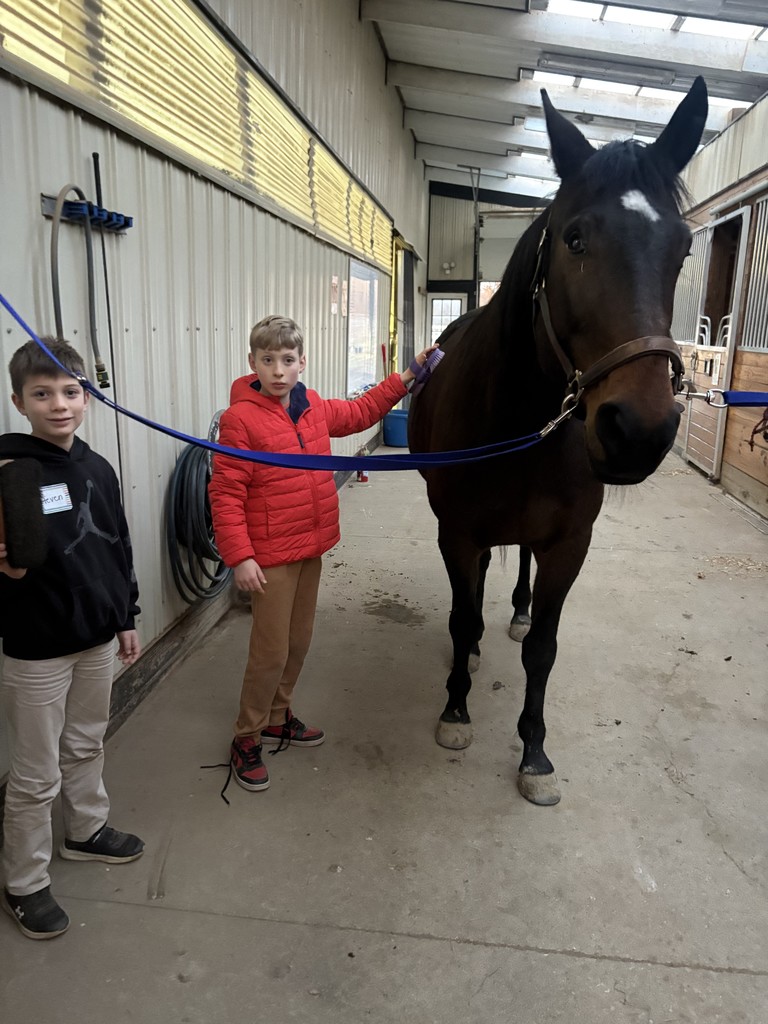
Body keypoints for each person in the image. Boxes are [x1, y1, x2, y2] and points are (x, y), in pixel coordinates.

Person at [209, 314, 436, 795]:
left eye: (286, 360)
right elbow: (225, 494)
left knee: (300, 640)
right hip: (269, 555)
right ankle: (245, 737)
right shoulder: (239, 421)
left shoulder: (310, 405)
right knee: (269, 651)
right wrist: (240, 556)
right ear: (252, 363)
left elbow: (359, 412)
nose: (277, 370)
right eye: (267, 360)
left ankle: (278, 716)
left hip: (310, 544)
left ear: (300, 363)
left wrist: (407, 376)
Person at [0, 338, 143, 940]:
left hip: (96, 640)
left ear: (87, 395)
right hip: (37, 647)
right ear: (18, 401)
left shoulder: (96, 467)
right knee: (35, 774)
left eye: (70, 391)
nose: (59, 405)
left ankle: (86, 830)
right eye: (42, 394)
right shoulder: (9, 471)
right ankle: (24, 882)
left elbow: (117, 546)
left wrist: (127, 614)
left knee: (86, 742)